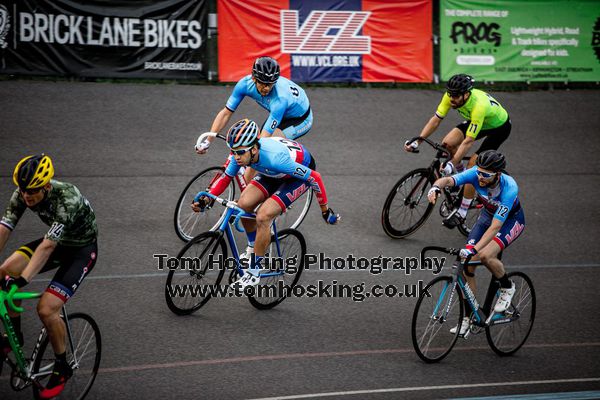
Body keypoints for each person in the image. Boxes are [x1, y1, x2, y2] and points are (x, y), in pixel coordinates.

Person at [193, 119, 338, 288]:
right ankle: (253, 247)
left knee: (263, 216)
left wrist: (325, 210)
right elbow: (226, 178)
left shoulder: (276, 159)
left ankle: (254, 273)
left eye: (240, 152)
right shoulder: (241, 155)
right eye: (233, 152)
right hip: (272, 172)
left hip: (295, 175)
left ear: (254, 149)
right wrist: (207, 199)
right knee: (243, 204)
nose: (236, 157)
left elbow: (316, 177)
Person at [0, 154, 98, 399]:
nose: (26, 197)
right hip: (57, 243)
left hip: (81, 250)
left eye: (32, 192)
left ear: (45, 186)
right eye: (23, 191)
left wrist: (22, 280)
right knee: (4, 271)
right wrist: (14, 276)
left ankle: (62, 365)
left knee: (46, 309)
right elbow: (4, 229)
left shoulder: (68, 198)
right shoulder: (22, 193)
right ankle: (15, 336)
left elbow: (47, 247)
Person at [427, 150, 524, 336]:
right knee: (465, 267)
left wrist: (474, 250)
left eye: (486, 175)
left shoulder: (509, 187)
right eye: (479, 172)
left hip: (510, 221)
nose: (480, 177)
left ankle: (507, 286)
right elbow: (449, 180)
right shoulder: (476, 174)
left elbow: (496, 227)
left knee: (485, 255)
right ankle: (469, 317)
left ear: (497, 174)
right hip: (487, 217)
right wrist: (435, 187)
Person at [406, 74, 512, 228]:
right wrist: (418, 140)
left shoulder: (479, 106)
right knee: (447, 144)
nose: (451, 99)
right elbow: (435, 120)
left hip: (499, 128)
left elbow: (468, 141)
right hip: (479, 122)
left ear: (467, 94)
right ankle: (457, 175)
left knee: (473, 166)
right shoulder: (450, 96)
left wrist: (452, 162)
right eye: (450, 94)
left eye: (455, 96)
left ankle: (462, 212)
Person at [195, 56, 313, 183]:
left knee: (259, 150)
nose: (267, 88)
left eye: (270, 84)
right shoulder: (244, 85)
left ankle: (269, 190)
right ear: (253, 78)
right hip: (281, 114)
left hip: (300, 120)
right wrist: (208, 141)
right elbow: (225, 113)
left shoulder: (280, 99)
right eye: (263, 83)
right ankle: (248, 192)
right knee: (252, 151)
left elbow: (262, 142)